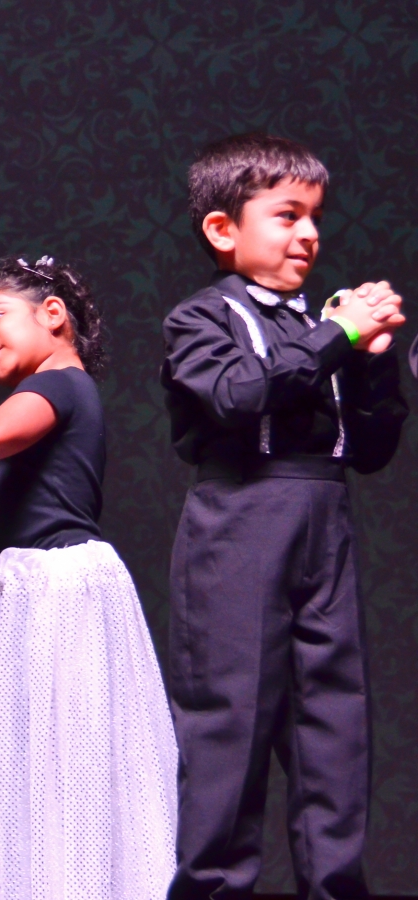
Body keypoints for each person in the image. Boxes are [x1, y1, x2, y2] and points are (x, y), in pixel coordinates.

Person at [162, 132, 408, 899]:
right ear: (223, 230)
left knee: (334, 730)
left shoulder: (325, 326)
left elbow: (369, 451)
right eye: (288, 214)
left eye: (315, 217)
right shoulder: (199, 319)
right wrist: (341, 337)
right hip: (240, 521)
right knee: (230, 725)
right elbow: (238, 396)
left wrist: (374, 362)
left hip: (323, 519)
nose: (310, 233)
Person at [0, 257, 177, 900]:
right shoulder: (54, 388)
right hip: (28, 595)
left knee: (65, 771)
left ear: (53, 314)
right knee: (25, 773)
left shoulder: (61, 385)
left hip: (57, 597)